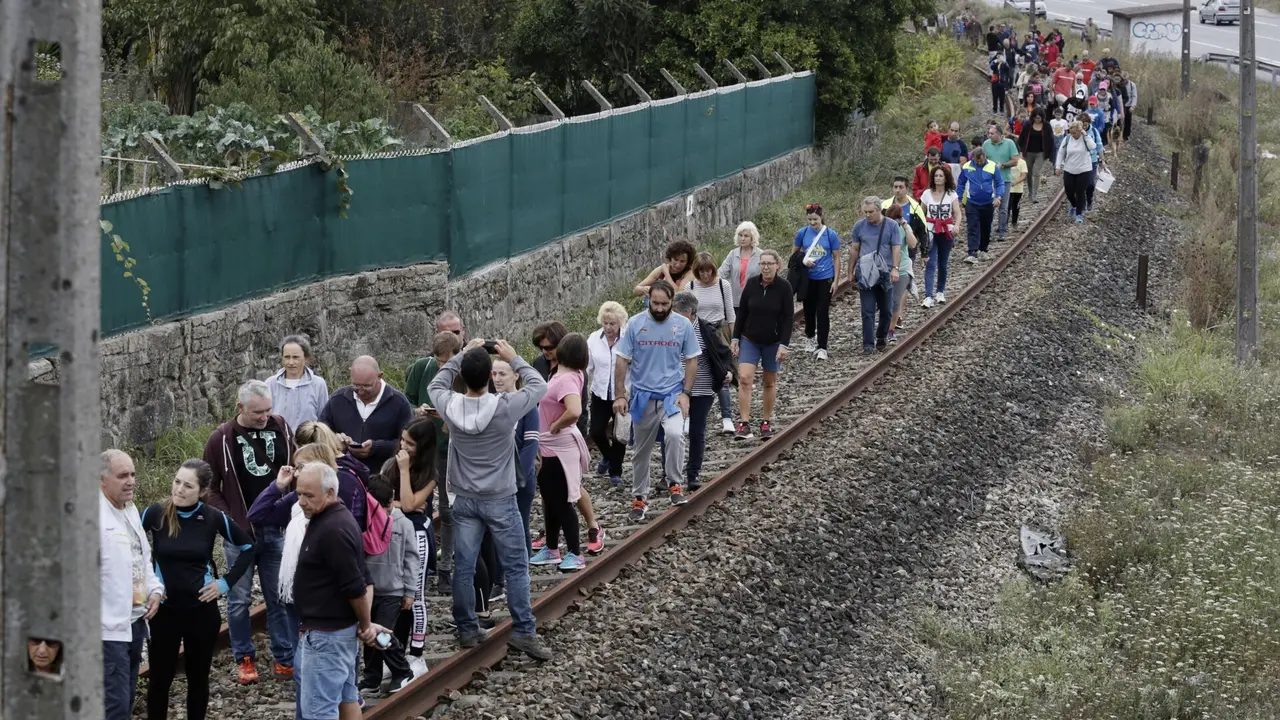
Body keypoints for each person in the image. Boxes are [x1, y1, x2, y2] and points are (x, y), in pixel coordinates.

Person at [428, 339, 553, 660]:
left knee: (464, 566)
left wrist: (459, 355)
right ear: (488, 378)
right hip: (500, 498)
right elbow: (538, 385)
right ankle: (524, 631)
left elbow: (436, 382)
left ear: (463, 377)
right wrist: (514, 358)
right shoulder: (505, 407)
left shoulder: (449, 404)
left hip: (465, 500)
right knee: (515, 566)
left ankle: (467, 627)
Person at [142, 459, 255, 720]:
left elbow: (249, 547)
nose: (179, 489)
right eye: (177, 481)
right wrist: (147, 585)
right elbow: (130, 547)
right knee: (160, 680)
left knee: (198, 680)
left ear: (203, 491)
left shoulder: (213, 518)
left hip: (201, 613)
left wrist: (224, 583)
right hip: (164, 612)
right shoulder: (155, 513)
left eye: (188, 485)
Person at [203, 380, 295, 684]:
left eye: (268, 410)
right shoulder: (221, 438)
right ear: (240, 408)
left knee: (278, 597)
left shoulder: (281, 427)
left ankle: (285, 658)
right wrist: (230, 521)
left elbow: (295, 467)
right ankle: (244, 658)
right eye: (258, 412)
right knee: (239, 600)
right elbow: (209, 487)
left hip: (276, 528)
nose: (264, 417)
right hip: (240, 537)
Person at [291, 463, 389, 720]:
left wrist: (366, 624)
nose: (301, 501)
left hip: (326, 637)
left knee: (318, 711)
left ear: (330, 493)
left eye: (309, 495)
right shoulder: (332, 518)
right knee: (346, 698)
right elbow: (363, 579)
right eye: (299, 493)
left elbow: (357, 585)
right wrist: (363, 624)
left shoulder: (333, 529)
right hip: (333, 633)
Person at [613, 280, 700, 520]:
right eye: (655, 303)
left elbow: (692, 359)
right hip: (642, 396)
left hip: (672, 393)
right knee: (641, 451)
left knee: (674, 434)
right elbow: (621, 359)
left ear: (672, 301)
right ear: (648, 300)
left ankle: (674, 483)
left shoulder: (683, 325)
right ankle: (640, 497)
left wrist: (686, 393)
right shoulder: (635, 323)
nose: (659, 308)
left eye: (664, 304)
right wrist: (620, 394)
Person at [100, 450, 164, 720]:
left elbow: (142, 558)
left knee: (125, 697)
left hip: (136, 622)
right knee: (113, 704)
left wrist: (156, 590)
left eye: (133, 474)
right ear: (102, 479)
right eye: (123, 476)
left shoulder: (130, 509)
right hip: (106, 629)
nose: (131, 481)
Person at [529, 322, 602, 556]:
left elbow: (575, 410)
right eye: (541, 348)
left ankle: (576, 549)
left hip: (558, 443)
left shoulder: (568, 376)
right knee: (552, 499)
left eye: (550, 347)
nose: (545, 352)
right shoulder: (553, 370)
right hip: (549, 443)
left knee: (566, 496)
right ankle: (552, 547)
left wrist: (555, 427)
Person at [404, 328, 461, 594]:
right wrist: (417, 411)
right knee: (419, 508)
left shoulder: (463, 374)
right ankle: (423, 565)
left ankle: (446, 568)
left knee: (448, 511)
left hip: (451, 449)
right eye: (438, 361)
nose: (441, 366)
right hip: (427, 449)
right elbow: (409, 398)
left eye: (446, 362)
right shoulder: (420, 368)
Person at [380, 418, 438, 663]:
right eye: (402, 440)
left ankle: (416, 655)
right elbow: (381, 501)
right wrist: (402, 504)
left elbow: (410, 504)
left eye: (410, 443)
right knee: (393, 597)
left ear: (422, 447)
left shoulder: (430, 473)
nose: (403, 447)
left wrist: (404, 472)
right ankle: (394, 653)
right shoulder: (388, 465)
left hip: (417, 537)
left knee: (415, 596)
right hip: (391, 536)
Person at [358, 475, 419, 698]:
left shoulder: (403, 524)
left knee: (382, 635)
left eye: (386, 506)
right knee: (368, 635)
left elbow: (412, 559)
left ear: (392, 501)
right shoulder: (363, 520)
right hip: (370, 590)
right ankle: (372, 677)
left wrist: (410, 591)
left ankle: (403, 671)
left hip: (393, 590)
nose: (383, 511)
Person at [672, 291, 734, 490]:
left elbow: (724, 353)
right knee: (671, 432)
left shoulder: (706, 329)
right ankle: (669, 474)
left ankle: (693, 474)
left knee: (697, 431)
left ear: (690, 313)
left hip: (702, 389)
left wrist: (729, 372)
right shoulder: (669, 329)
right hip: (674, 389)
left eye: (678, 313)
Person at [320, 355, 414, 476]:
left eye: (366, 386)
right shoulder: (337, 399)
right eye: (356, 385)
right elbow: (320, 433)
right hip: (344, 476)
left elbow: (410, 444)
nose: (361, 391)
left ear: (380, 376)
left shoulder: (399, 403)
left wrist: (376, 448)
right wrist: (335, 439)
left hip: (384, 478)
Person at [683, 252, 737, 435]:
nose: (705, 275)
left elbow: (730, 312)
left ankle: (727, 417)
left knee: (721, 373)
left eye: (708, 271)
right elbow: (686, 313)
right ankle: (687, 416)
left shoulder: (723, 285)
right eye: (701, 272)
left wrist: (734, 338)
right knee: (691, 372)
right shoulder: (690, 286)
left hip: (718, 331)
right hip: (697, 331)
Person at [491, 359, 541, 552]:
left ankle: (523, 571)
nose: (497, 378)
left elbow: (530, 446)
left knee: (519, 524)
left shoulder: (527, 405)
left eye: (502, 374)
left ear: (516, 375)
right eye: (494, 374)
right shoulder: (490, 402)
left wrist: (517, 477)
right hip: (495, 478)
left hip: (519, 478)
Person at [849, 198, 903, 355]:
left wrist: (895, 268)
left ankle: (881, 336)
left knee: (886, 309)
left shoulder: (891, 225)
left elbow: (896, 248)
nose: (868, 215)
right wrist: (850, 271)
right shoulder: (859, 226)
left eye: (871, 212)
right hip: (866, 273)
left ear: (879, 210)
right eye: (865, 212)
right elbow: (854, 249)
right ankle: (868, 344)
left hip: (885, 272)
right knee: (867, 310)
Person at [587, 302, 628, 488]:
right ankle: (609, 458)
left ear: (620, 323)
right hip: (600, 393)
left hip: (623, 394)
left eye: (612, 323)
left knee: (620, 435)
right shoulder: (594, 339)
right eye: (605, 323)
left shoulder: (628, 338)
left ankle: (615, 471)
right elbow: (588, 367)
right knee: (596, 431)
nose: (609, 327)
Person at [792, 203, 840, 360]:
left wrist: (836, 280)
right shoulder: (802, 233)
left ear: (821, 217)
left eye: (815, 220)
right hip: (808, 279)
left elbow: (836, 257)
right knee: (808, 310)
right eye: (810, 219)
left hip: (825, 277)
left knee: (823, 311)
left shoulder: (830, 234)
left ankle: (822, 346)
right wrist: (804, 262)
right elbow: (794, 257)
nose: (812, 223)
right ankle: (810, 336)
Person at [265, 335, 329, 433]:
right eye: (287, 357)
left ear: (306, 359)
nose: (291, 362)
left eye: (295, 357)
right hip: (279, 441)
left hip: (308, 442)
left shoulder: (318, 384)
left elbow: (323, 419)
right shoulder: (270, 384)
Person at [920, 165, 961, 309]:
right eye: (936, 176)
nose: (938, 178)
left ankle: (940, 291)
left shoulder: (952, 194)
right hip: (931, 231)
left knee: (943, 263)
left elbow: (957, 212)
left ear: (946, 178)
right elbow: (921, 213)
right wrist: (920, 230)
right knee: (930, 264)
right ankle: (928, 296)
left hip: (946, 231)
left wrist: (956, 225)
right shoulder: (926, 194)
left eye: (941, 176)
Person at [882, 204, 919, 345]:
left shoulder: (902, 228)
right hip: (884, 268)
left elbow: (913, 244)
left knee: (895, 301)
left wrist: (906, 226)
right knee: (884, 301)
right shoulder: (882, 228)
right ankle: (883, 327)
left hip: (902, 269)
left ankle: (890, 330)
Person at [982, 124, 1021, 240]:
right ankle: (988, 232)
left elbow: (1015, 161)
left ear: (999, 134)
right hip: (989, 180)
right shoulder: (986, 144)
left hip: (1005, 179)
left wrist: (1003, 165)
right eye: (989, 133)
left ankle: (1002, 231)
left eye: (992, 134)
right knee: (989, 205)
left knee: (1003, 207)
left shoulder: (1009, 143)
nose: (989, 136)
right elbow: (981, 160)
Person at [1056, 121, 1097, 223]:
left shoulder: (1085, 138)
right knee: (1069, 191)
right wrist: (1058, 166)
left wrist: (1085, 135)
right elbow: (1061, 152)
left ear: (1079, 131)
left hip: (1084, 170)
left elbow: (1093, 147)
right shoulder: (1067, 139)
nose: (1073, 135)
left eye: (1075, 133)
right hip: (1069, 168)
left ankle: (1079, 214)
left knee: (1080, 192)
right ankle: (1074, 206)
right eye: (1071, 132)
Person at [719, 221, 763, 315]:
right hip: (735, 300)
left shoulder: (761, 254)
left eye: (746, 236)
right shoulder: (733, 254)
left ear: (752, 238)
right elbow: (721, 273)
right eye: (740, 235)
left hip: (755, 300)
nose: (742, 238)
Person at [1008, 153, 1028, 229]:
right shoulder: (1007, 161)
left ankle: (1014, 221)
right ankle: (1004, 224)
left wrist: (1015, 182)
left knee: (1015, 207)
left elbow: (1023, 175)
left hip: (1018, 189)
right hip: (1008, 189)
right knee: (1007, 207)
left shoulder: (1022, 162)